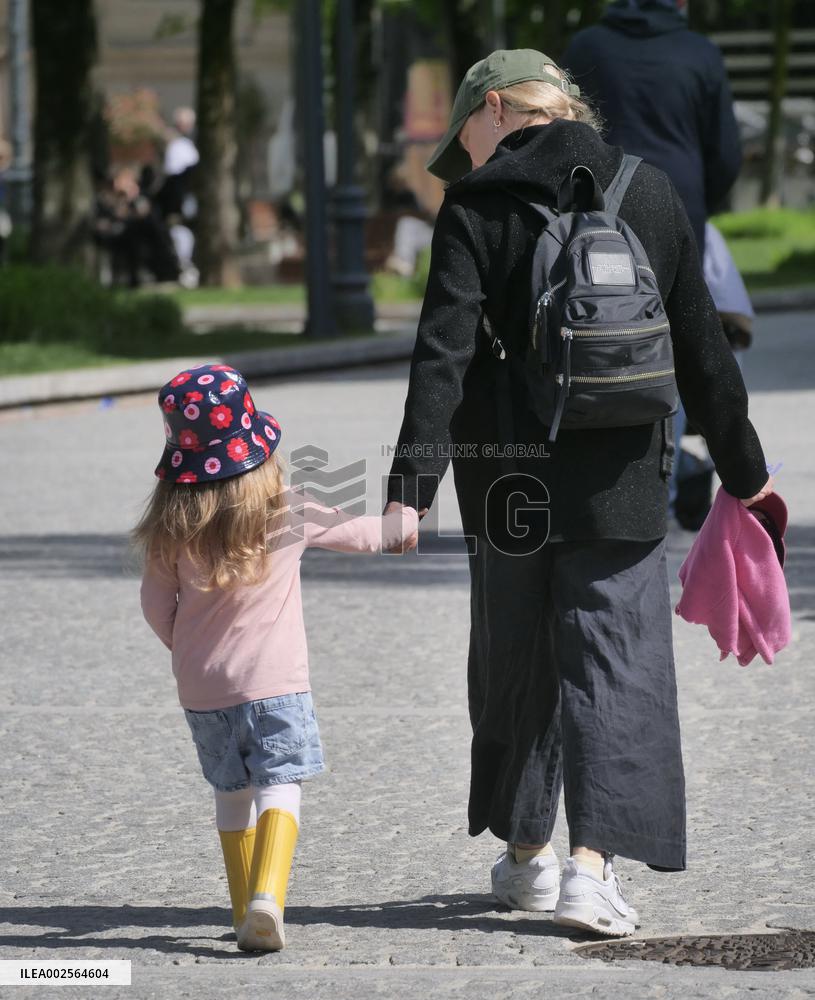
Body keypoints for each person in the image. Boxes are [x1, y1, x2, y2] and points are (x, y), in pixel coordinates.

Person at [384, 49, 773, 936]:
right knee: (616, 663)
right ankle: (591, 873)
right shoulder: (648, 191)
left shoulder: (474, 206)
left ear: (492, 110)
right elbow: (702, 350)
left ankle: (527, 858)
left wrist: (411, 488)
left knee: (514, 659)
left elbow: (441, 357)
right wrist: (744, 475)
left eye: (463, 134)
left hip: (506, 478)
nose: (463, 154)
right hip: (622, 473)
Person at [134, 364, 420, 952]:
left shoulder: (172, 527)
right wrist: (406, 518)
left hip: (202, 690)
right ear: (259, 453)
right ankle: (267, 898)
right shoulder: (288, 510)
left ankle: (244, 908)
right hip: (276, 687)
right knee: (280, 785)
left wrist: (189, 652)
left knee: (231, 793)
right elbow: (371, 535)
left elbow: (155, 607)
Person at [562, 0, 741, 256]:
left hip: (603, 202)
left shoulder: (585, 47)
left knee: (597, 282)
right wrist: (700, 201)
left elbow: (564, 134)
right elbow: (726, 155)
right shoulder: (701, 53)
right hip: (681, 199)